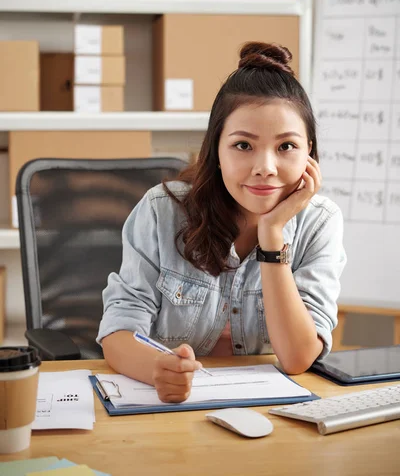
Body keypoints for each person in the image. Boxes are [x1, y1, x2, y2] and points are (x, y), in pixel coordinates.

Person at [97, 41, 346, 403]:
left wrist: (272, 235)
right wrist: (157, 369)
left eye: (286, 146)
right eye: (243, 145)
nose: (265, 167)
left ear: (310, 152)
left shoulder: (319, 223)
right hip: (172, 411)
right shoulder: (161, 211)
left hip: (270, 415)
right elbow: (118, 331)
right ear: (216, 151)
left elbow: (297, 358)